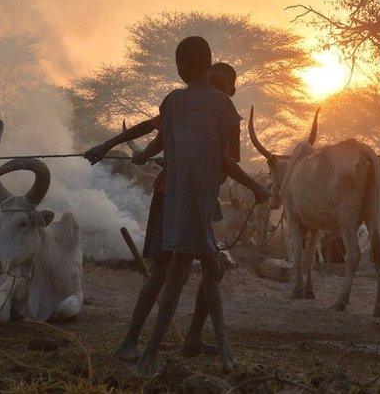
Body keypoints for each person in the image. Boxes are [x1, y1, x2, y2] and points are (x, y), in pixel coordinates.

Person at [83, 60, 256, 363]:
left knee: (184, 270)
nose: (222, 91)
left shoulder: (199, 107)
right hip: (180, 199)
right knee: (179, 270)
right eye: (218, 85)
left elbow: (214, 163)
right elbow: (154, 132)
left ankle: (160, 341)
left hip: (184, 198)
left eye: (223, 87)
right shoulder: (213, 111)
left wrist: (127, 150)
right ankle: (146, 342)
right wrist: (117, 148)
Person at [136, 37, 268, 376]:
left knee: (191, 276)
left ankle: (157, 355)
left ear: (180, 68)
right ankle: (218, 352)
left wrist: (139, 155)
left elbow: (159, 144)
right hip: (201, 203)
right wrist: (257, 187)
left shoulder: (173, 102)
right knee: (200, 276)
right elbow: (226, 160)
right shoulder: (222, 107)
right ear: (208, 67)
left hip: (178, 204)